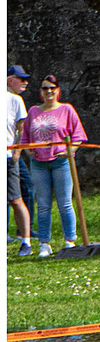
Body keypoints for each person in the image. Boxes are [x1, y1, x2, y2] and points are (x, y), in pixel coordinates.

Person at [23, 73, 86, 255]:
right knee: (42, 204)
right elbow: (25, 135)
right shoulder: (34, 111)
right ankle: (44, 243)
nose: (49, 91)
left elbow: (78, 136)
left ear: (58, 90)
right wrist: (29, 150)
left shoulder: (67, 109)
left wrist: (69, 151)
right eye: (45, 88)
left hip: (61, 162)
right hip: (38, 163)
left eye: (52, 88)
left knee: (65, 203)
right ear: (41, 92)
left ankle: (70, 241)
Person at [5, 65, 26, 249]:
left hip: (8, 156)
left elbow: (21, 129)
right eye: (22, 78)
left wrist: (17, 152)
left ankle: (25, 240)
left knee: (15, 199)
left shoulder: (15, 100)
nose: (25, 82)